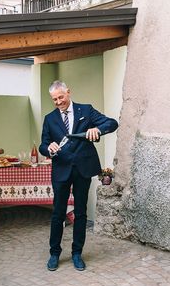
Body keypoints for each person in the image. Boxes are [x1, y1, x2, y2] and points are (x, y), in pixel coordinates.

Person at [39, 80, 118, 271]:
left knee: (81, 213)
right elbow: (43, 145)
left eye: (61, 97)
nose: (58, 102)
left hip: (83, 169)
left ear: (68, 92)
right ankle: (54, 254)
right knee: (58, 214)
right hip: (61, 171)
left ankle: (77, 253)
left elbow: (112, 123)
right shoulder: (50, 119)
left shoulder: (86, 110)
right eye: (54, 99)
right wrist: (48, 148)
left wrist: (97, 129)